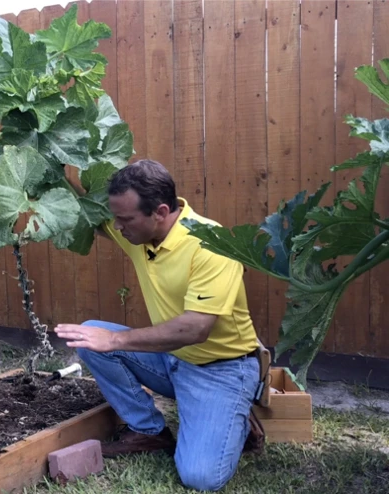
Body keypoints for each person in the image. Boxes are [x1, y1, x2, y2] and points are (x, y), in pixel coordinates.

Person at [54, 159, 264, 492]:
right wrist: (56, 165)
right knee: (88, 335)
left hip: (221, 370)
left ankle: (235, 416)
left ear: (160, 212)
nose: (117, 227)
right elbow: (91, 217)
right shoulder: (138, 233)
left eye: (125, 219)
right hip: (172, 359)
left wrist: (115, 339)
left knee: (200, 477)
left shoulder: (212, 245)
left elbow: (196, 329)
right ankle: (149, 432)